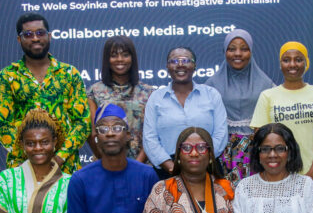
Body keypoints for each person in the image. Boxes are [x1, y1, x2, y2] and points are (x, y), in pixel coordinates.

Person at [0, 12, 91, 172]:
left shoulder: (69, 74)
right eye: (28, 34)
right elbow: (2, 127)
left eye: (40, 33)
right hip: (22, 168)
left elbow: (82, 123)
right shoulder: (7, 76)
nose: (35, 38)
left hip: (64, 167)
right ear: (19, 39)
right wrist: (31, 156)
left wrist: (59, 157)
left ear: (49, 36)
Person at [250, 42, 313, 192]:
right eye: (286, 60)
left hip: (312, 178)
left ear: (306, 63)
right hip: (277, 178)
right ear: (280, 64)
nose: (292, 64)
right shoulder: (267, 96)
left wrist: (312, 174)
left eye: (298, 59)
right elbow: (260, 139)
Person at [142, 47, 228, 179]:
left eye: (186, 60)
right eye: (174, 61)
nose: (180, 64)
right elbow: (150, 138)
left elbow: (220, 134)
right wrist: (171, 167)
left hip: (207, 167)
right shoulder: (156, 98)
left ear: (195, 66)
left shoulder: (211, 95)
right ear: (167, 67)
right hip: (167, 171)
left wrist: (201, 163)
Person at [204, 29, 274, 185]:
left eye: (244, 49)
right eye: (231, 49)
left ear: (251, 51)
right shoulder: (211, 85)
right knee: (226, 195)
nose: (237, 54)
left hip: (258, 152)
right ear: (224, 52)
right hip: (223, 154)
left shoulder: (266, 84)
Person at [86, 35, 154, 162]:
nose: (120, 59)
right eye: (113, 55)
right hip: (105, 164)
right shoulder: (93, 92)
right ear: (107, 59)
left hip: (141, 164)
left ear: (132, 58)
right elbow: (93, 134)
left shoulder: (148, 92)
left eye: (125, 55)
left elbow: (151, 135)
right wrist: (108, 162)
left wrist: (136, 166)